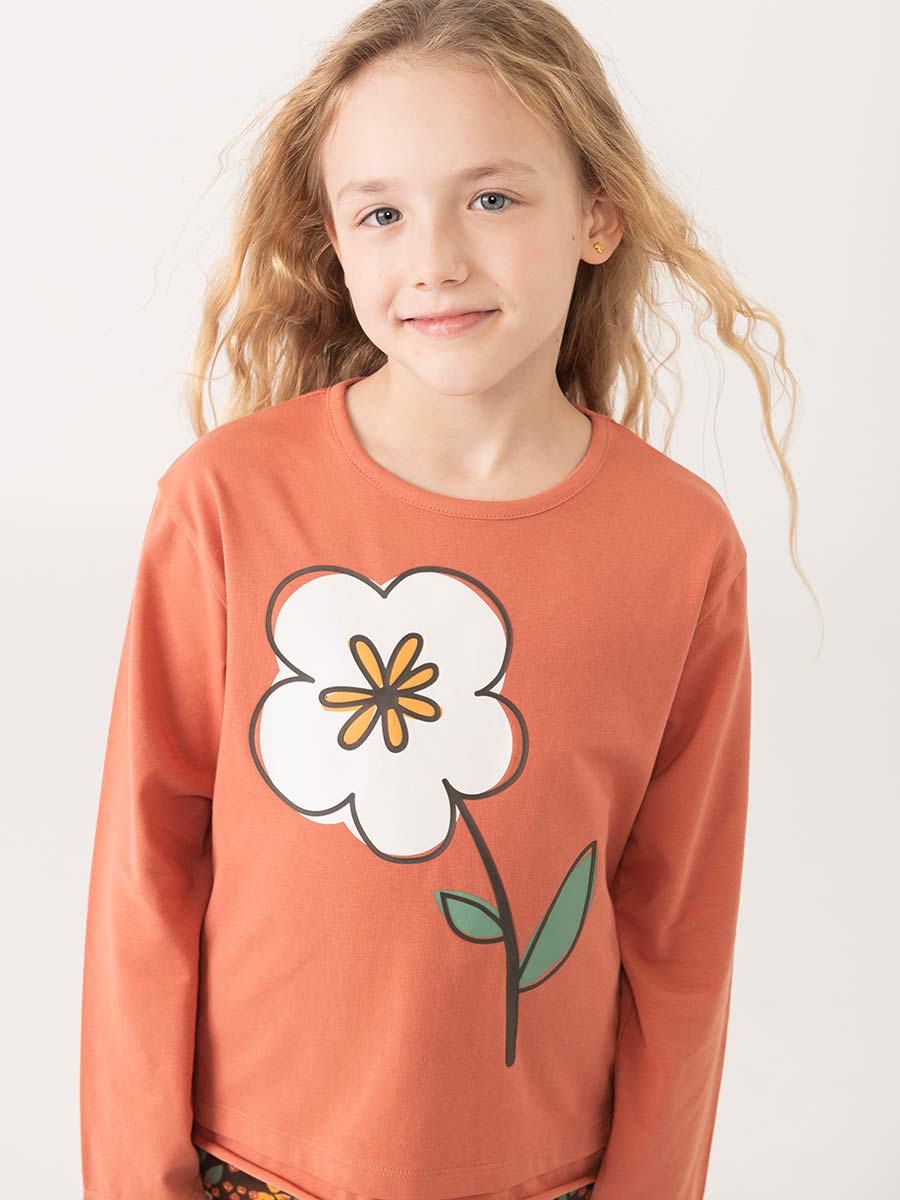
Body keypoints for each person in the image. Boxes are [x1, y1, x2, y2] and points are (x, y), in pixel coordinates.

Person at [79, 2, 809, 1199]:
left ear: (598, 213)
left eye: (493, 199)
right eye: (382, 212)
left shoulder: (680, 548)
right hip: (249, 1178)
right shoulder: (225, 503)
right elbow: (143, 883)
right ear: (333, 239)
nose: (436, 259)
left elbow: (680, 937)